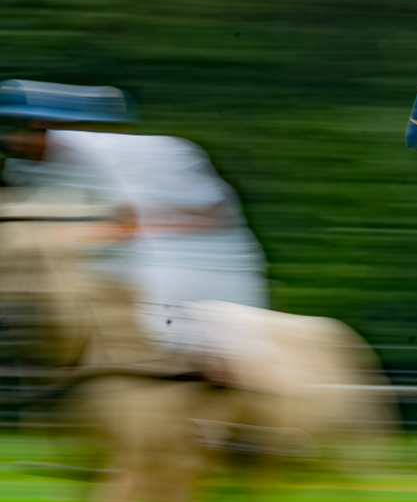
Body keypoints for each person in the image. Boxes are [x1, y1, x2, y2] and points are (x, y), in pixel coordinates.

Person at [0, 79, 267, 364]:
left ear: (43, 124)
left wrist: (68, 235)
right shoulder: (24, 167)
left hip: (190, 262)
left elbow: (150, 221)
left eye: (18, 129)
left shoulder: (123, 157)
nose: (11, 140)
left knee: (187, 346)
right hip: (114, 266)